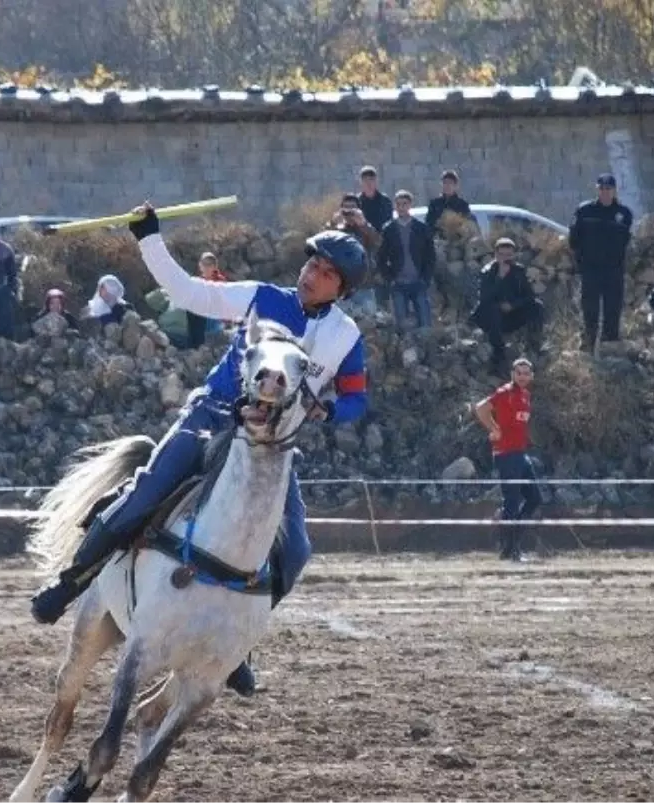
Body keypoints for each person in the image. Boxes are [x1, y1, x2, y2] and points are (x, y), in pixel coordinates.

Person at [30, 201, 370, 698]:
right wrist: (149, 238)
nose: (312, 276)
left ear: (343, 289)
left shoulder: (346, 337)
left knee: (295, 551)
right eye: (311, 265)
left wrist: (328, 411)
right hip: (212, 418)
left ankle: (236, 646)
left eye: (325, 273)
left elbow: (358, 398)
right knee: (147, 494)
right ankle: (71, 582)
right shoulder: (259, 297)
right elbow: (185, 292)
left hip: (268, 447)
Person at [474, 358, 540, 562]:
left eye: (526, 373)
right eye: (519, 372)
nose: (522, 376)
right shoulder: (505, 393)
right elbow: (480, 408)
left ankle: (513, 544)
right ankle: (509, 550)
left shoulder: (526, 396)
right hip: (506, 454)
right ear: (513, 374)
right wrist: (494, 428)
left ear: (531, 376)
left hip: (521, 454)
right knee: (512, 502)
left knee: (534, 498)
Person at [569, 173, 633, 351]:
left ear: (614, 190)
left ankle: (609, 344)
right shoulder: (584, 210)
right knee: (590, 307)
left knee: (613, 306)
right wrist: (581, 261)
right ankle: (588, 343)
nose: (605, 192)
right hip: (590, 268)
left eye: (609, 189)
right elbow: (574, 239)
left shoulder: (623, 213)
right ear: (597, 189)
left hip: (614, 269)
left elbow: (625, 241)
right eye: (602, 188)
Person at [470, 237, 544, 375]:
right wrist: (500, 277)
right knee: (493, 310)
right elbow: (485, 298)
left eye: (509, 255)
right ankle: (498, 355)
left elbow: (529, 296)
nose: (505, 258)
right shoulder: (487, 272)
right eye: (502, 255)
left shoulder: (518, 271)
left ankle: (534, 345)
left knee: (537, 306)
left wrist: (514, 305)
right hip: (490, 317)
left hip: (511, 314)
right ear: (496, 255)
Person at [377, 189, 436, 330]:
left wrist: (426, 278)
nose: (401, 207)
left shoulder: (421, 228)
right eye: (398, 204)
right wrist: (389, 278)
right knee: (402, 326)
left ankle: (426, 350)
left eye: (404, 204)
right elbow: (381, 257)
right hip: (398, 283)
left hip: (418, 281)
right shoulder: (388, 229)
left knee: (425, 324)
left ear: (410, 205)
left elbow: (430, 256)